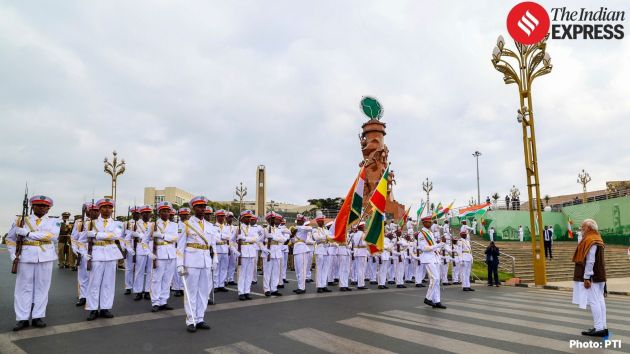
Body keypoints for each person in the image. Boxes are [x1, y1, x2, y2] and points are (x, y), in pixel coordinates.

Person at [7, 195, 60, 331]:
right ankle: (22, 318)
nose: (41, 208)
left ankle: (38, 316)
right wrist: (13, 254)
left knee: (42, 288)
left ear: (48, 209)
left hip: (45, 256)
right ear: (32, 206)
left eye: (44, 206)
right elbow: (10, 238)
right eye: (38, 205)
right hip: (25, 256)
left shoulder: (54, 222)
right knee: (23, 288)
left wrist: (28, 233)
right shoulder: (20, 221)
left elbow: (52, 236)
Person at [176, 196, 217, 332]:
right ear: (193, 208)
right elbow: (180, 246)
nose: (202, 209)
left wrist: (214, 260)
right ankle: (191, 320)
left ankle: (200, 318)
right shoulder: (186, 224)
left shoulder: (211, 226)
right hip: (191, 262)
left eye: (204, 207)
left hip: (206, 261)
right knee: (191, 292)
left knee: (204, 292)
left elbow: (213, 246)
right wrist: (179, 264)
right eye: (199, 207)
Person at [81, 198, 123, 321]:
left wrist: (95, 235)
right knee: (94, 282)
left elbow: (115, 235)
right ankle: (93, 309)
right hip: (96, 254)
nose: (107, 209)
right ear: (99, 209)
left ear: (112, 209)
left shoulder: (117, 224)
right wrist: (84, 253)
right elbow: (81, 241)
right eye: (104, 207)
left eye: (109, 207)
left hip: (110, 254)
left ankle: (105, 307)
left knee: (108, 283)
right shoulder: (90, 223)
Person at [572, 219, 608, 337]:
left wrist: (587, 277)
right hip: (600, 274)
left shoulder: (590, 239)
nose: (581, 230)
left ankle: (598, 328)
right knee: (600, 300)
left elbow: (590, 260)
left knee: (594, 301)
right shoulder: (598, 238)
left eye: (583, 228)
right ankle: (603, 326)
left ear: (589, 228)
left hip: (592, 276)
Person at [150, 202, 178, 312]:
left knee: (167, 279)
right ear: (159, 212)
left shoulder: (174, 225)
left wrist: (162, 235)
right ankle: (155, 302)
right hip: (159, 254)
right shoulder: (153, 225)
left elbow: (176, 238)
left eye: (167, 211)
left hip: (171, 254)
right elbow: (144, 241)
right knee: (157, 279)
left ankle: (163, 301)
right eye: (163, 211)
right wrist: (149, 253)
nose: (166, 213)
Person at [72, 203, 98, 307]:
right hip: (82, 249)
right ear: (86, 211)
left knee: (94, 274)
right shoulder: (79, 222)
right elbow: (74, 237)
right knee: (83, 275)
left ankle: (92, 295)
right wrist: (77, 251)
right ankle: (83, 296)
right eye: (90, 210)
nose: (93, 212)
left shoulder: (100, 222)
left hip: (95, 249)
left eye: (96, 210)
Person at [418, 216, 446, 309]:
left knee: (437, 281)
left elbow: (434, 246)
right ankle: (428, 298)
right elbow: (424, 248)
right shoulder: (421, 234)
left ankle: (436, 301)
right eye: (428, 222)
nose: (430, 223)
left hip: (434, 258)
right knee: (435, 279)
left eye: (430, 222)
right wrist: (438, 245)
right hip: (428, 259)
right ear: (423, 223)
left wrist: (441, 245)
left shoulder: (430, 232)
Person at [131, 205, 154, 301]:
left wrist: (142, 235)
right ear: (141, 214)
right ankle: (138, 291)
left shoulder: (153, 224)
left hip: (151, 248)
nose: (147, 214)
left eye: (149, 213)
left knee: (150, 271)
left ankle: (148, 290)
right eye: (145, 213)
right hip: (140, 248)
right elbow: (130, 235)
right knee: (139, 271)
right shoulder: (135, 224)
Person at [261, 212, 286, 296]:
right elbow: (259, 241)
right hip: (268, 252)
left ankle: (274, 289)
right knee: (267, 272)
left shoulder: (278, 229)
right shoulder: (264, 229)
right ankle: (266, 289)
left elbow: (283, 239)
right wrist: (264, 249)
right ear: (268, 220)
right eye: (271, 219)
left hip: (277, 252)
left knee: (276, 272)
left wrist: (274, 237)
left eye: (274, 218)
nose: (273, 220)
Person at [237, 210, 258, 299]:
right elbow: (231, 241)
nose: (249, 219)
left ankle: (247, 291)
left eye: (250, 217)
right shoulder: (238, 228)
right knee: (242, 273)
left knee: (249, 273)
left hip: (251, 252)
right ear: (242, 218)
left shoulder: (253, 228)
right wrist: (235, 251)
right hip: (242, 252)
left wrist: (244, 238)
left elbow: (255, 239)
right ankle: (241, 292)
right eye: (247, 217)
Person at [292, 214, 312, 294]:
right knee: (297, 270)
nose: (298, 221)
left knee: (302, 270)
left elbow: (311, 228)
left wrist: (299, 227)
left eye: (300, 220)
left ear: (303, 221)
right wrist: (293, 234)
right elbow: (292, 240)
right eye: (298, 220)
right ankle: (299, 286)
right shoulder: (294, 229)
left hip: (302, 250)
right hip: (296, 249)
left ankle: (302, 288)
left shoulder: (304, 228)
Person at [312, 215, 332, 293]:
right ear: (317, 222)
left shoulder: (327, 230)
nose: (322, 222)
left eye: (323, 221)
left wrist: (328, 241)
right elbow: (317, 238)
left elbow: (331, 238)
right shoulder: (315, 230)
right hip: (320, 249)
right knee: (319, 269)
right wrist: (326, 237)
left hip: (326, 250)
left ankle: (324, 285)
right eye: (320, 221)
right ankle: (319, 286)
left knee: (325, 269)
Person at [213, 209, 231, 292]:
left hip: (224, 249)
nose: (222, 218)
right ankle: (215, 285)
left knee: (224, 268)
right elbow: (215, 239)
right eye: (220, 216)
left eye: (223, 216)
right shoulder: (213, 227)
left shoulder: (227, 227)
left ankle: (221, 284)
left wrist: (220, 235)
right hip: (217, 249)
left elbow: (229, 237)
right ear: (216, 217)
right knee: (216, 268)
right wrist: (223, 236)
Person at [351, 222, 369, 290]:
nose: (364, 227)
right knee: (362, 269)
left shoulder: (355, 234)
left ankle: (360, 283)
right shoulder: (362, 234)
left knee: (359, 269)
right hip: (362, 252)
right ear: (361, 227)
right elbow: (364, 243)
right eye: (364, 226)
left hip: (357, 252)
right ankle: (361, 284)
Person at [460, 227, 475, 292]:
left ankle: (468, 286)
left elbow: (470, 250)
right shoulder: (460, 241)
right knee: (464, 273)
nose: (465, 235)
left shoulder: (467, 241)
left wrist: (471, 258)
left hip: (468, 257)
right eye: (464, 234)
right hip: (464, 258)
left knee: (468, 273)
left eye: (466, 234)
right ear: (461, 235)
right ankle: (464, 286)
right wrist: (461, 260)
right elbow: (459, 251)